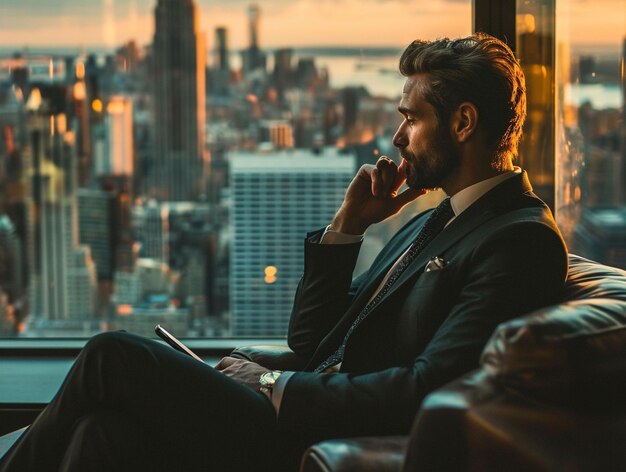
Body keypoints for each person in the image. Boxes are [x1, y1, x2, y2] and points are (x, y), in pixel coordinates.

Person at [0, 33, 568, 472]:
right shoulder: (441, 218)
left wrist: (272, 386)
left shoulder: (519, 239)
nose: (398, 138)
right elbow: (314, 340)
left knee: (112, 354)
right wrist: (347, 228)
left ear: (463, 122)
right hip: (305, 412)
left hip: (317, 433)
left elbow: (426, 389)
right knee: (98, 436)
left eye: (412, 119)